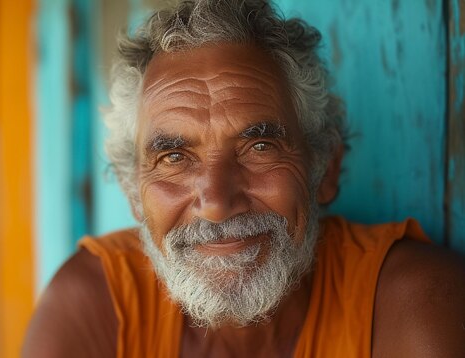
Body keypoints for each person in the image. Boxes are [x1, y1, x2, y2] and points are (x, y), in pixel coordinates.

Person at [23, 0, 465, 356]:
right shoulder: (95, 305)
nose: (215, 200)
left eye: (259, 148)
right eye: (175, 157)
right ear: (132, 193)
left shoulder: (419, 306)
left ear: (325, 167)